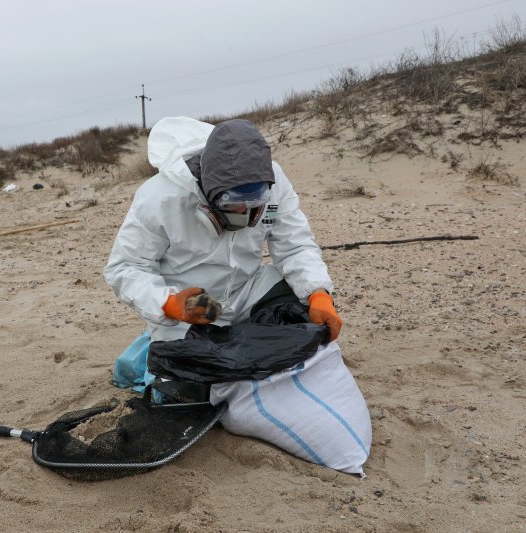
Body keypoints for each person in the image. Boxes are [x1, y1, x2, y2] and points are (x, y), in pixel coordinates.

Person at [103, 117, 370, 474]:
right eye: (233, 206)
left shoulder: (274, 185)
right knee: (190, 396)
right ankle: (148, 352)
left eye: (254, 205)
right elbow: (125, 268)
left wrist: (319, 294)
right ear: (208, 192)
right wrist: (169, 303)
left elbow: (294, 245)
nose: (246, 214)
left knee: (297, 302)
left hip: (247, 291)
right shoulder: (160, 198)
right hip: (190, 308)